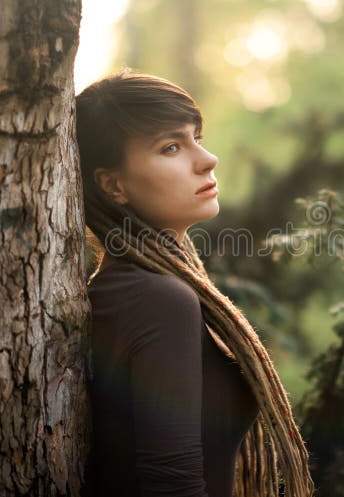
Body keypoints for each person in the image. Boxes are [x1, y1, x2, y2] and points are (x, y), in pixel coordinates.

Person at [76, 71, 316, 497]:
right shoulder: (156, 298)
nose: (207, 159)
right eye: (170, 147)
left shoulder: (135, 288)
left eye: (195, 137)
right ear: (113, 185)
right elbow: (174, 486)